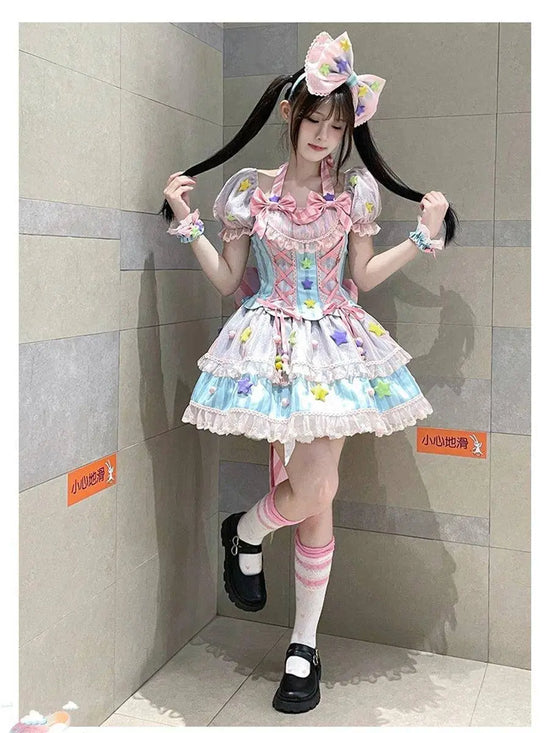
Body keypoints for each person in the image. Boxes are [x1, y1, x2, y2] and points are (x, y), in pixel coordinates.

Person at [160, 30, 456, 715]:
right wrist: (188, 222)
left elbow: (363, 276)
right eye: (316, 121)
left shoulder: (353, 193)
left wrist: (422, 237)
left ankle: (254, 545)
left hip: (336, 346)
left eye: (338, 127)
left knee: (318, 487)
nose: (325, 137)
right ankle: (299, 643)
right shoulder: (248, 192)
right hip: (271, 349)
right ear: (291, 114)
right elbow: (228, 279)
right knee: (316, 491)